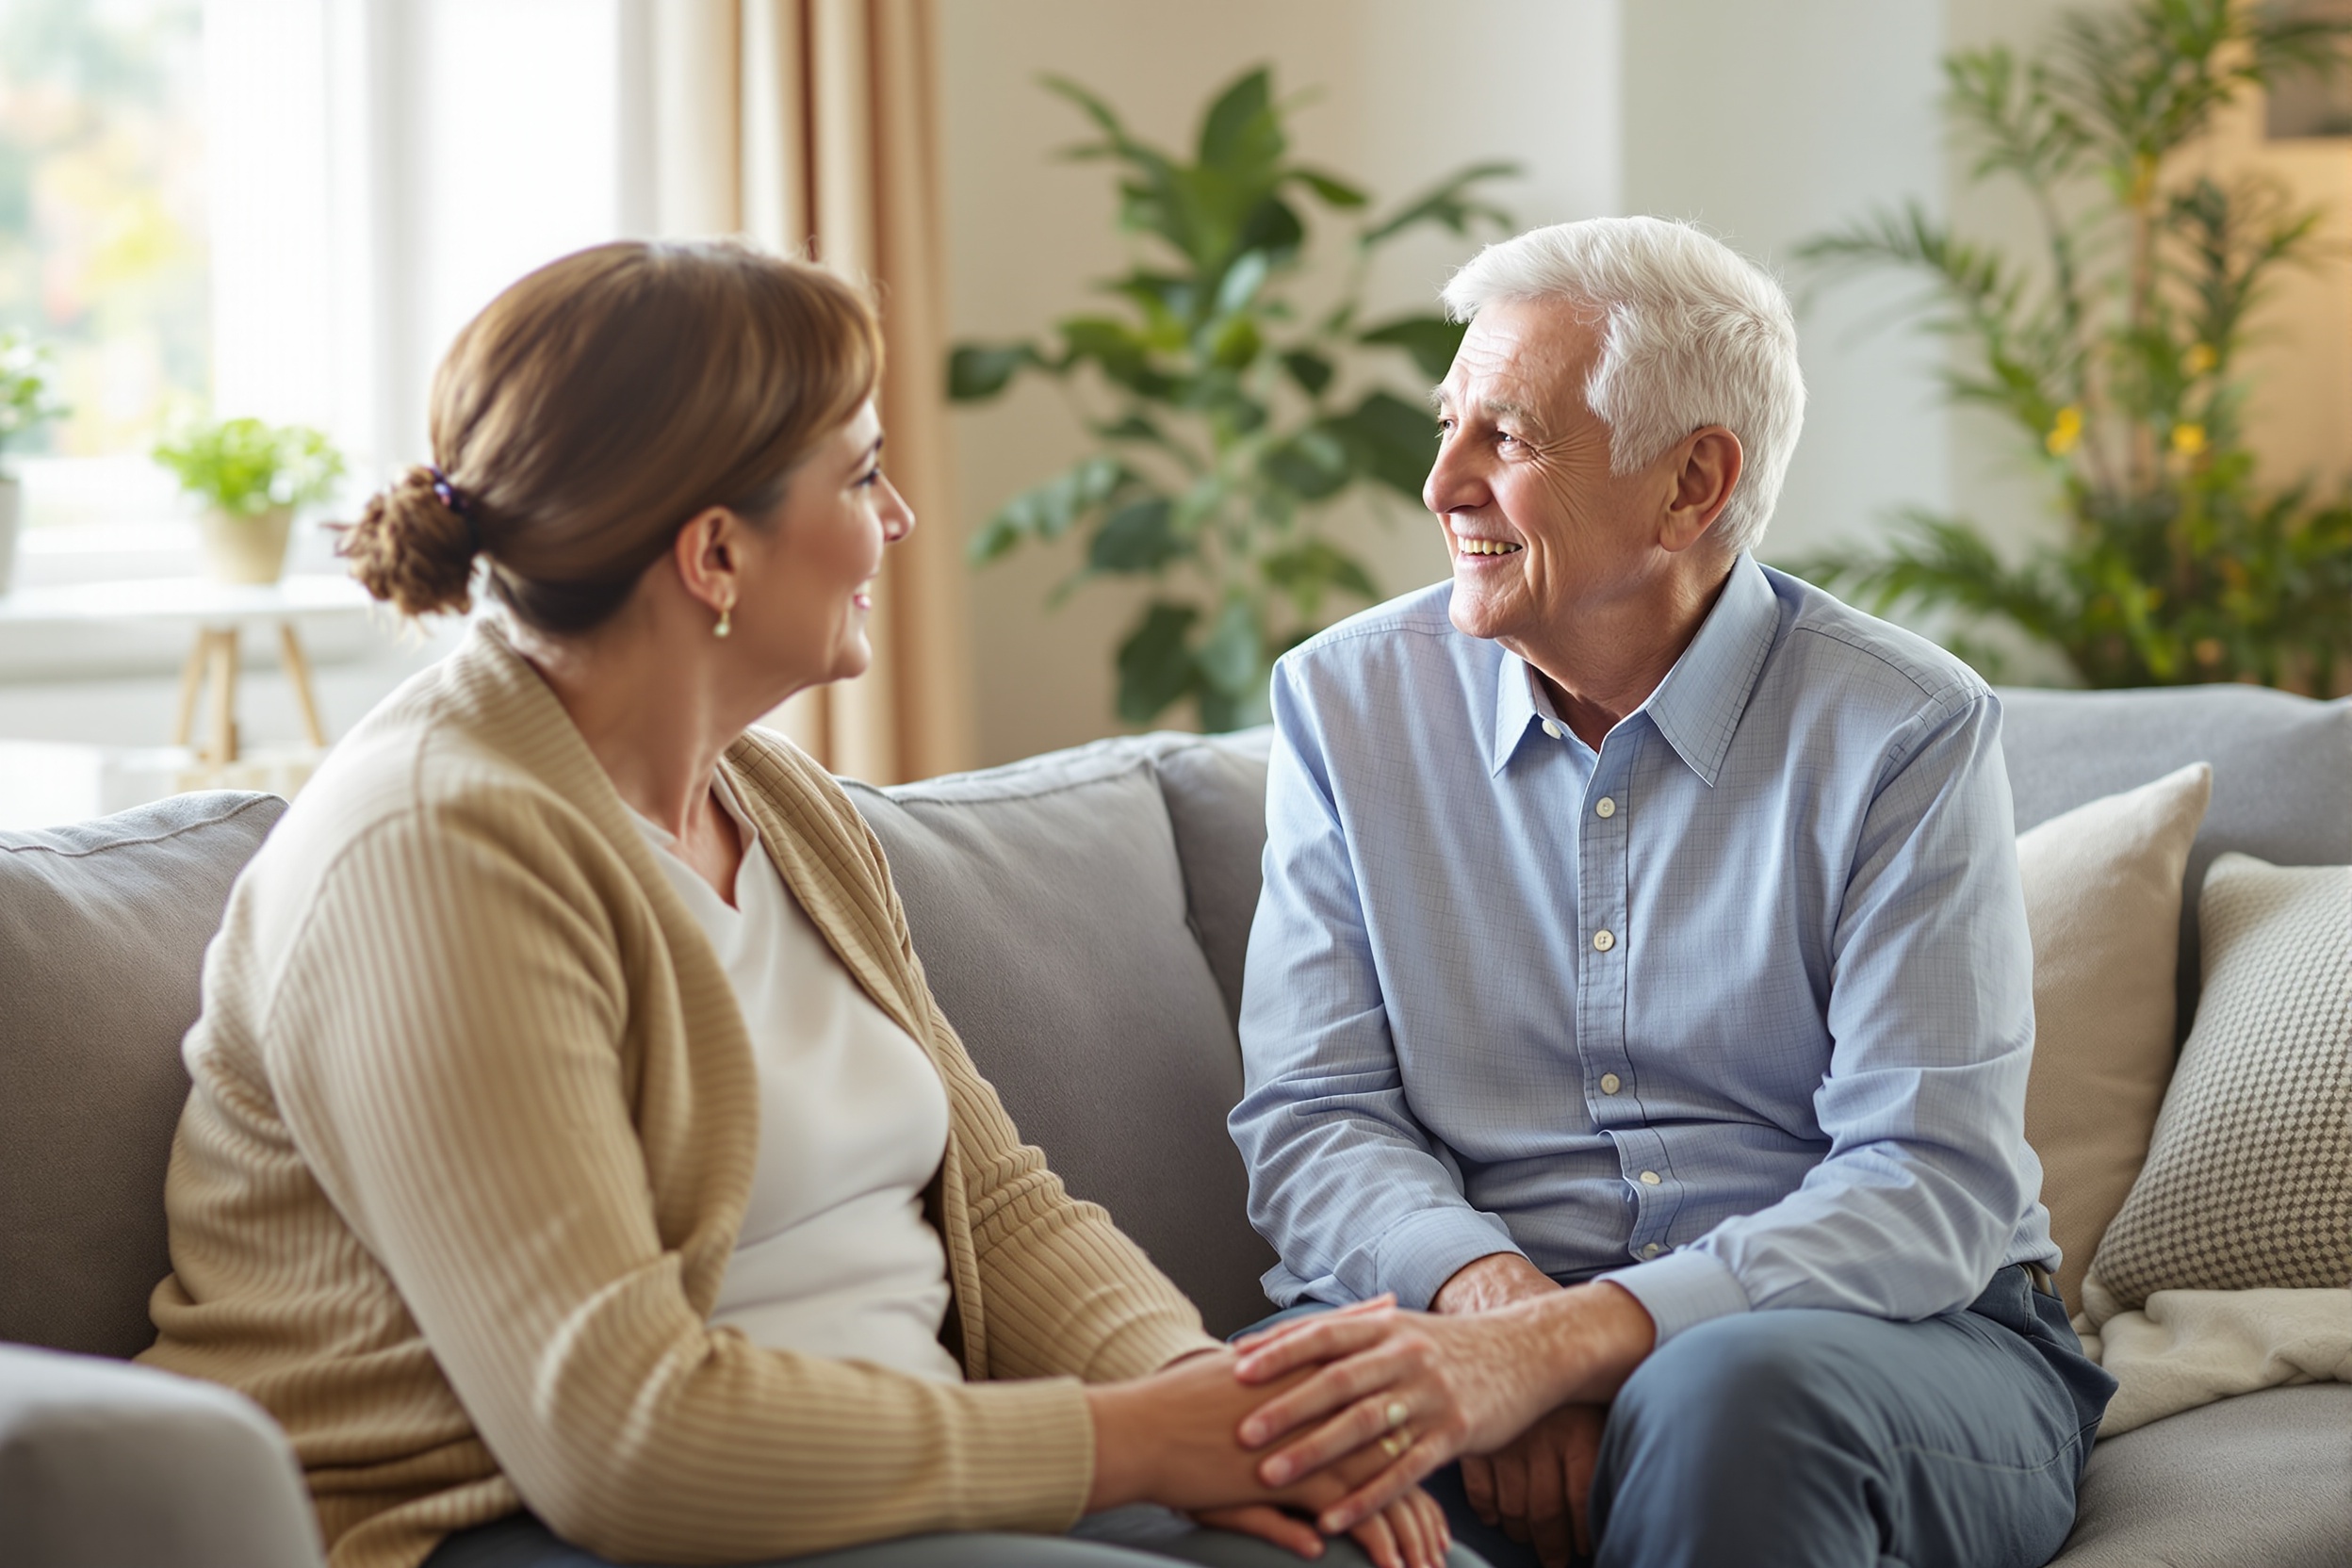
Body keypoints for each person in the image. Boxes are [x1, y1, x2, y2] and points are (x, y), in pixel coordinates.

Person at [136, 240, 1469, 1568]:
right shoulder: (431, 856)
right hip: (502, 1522)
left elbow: (998, 1203)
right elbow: (618, 1440)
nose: (897, 523)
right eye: (865, 476)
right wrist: (1131, 1442)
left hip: (880, 1483)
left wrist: (1241, 1425)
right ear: (716, 553)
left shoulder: (777, 805)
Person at [1217, 218, 2116, 1568]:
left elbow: (1924, 1182)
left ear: (1691, 484)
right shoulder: (1345, 703)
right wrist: (1489, 1314)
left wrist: (1572, 1347)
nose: (1439, 483)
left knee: (1724, 1403)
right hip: (1464, 1317)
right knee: (1257, 1447)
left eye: (1505, 438)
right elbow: (1313, 1112)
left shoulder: (1903, 731)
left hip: (1876, 1347)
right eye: (1447, 423)